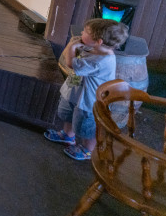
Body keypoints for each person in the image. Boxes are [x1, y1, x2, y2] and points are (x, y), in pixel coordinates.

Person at [44, 18, 128, 161]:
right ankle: (68, 135)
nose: (82, 32)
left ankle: (87, 149)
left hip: (89, 100)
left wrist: (71, 47)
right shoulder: (94, 49)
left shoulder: (101, 61)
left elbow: (71, 63)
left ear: (99, 41)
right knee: (69, 113)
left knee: (87, 127)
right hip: (76, 91)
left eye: (86, 32)